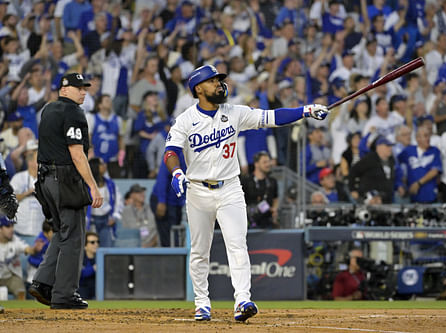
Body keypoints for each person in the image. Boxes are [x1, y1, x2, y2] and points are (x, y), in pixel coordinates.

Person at [163, 65, 328, 322]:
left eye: (220, 80)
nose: (219, 84)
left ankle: (242, 300)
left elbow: (273, 117)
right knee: (199, 251)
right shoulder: (185, 120)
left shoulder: (235, 112)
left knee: (237, 244)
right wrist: (176, 173)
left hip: (230, 187)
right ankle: (201, 302)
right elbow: (171, 152)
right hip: (198, 190)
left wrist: (305, 110)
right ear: (198, 88)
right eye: (213, 81)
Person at [28, 73, 103, 310]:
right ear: (64, 89)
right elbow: (76, 153)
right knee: (73, 237)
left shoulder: (48, 109)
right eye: (78, 87)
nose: (83, 92)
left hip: (45, 179)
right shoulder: (73, 112)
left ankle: (43, 283)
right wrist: (92, 185)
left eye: (85, 88)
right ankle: (64, 295)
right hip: (64, 180)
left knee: (61, 233)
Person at [0, 216, 41, 300]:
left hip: (12, 277)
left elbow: (27, 249)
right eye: (8, 226)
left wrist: (34, 249)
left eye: (12, 226)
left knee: (21, 292)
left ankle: (20, 312)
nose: (11, 229)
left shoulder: (15, 240)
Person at [397, 126, 442, 203]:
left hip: (430, 195)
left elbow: (435, 171)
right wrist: (401, 182)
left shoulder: (434, 150)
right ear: (417, 138)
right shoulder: (408, 151)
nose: (428, 138)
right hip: (413, 195)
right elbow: (396, 165)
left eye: (428, 135)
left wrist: (418, 184)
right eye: (425, 136)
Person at [88, 157, 122, 248]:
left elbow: (119, 203)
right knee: (91, 248)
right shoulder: (86, 185)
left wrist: (114, 217)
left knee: (107, 249)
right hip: (91, 221)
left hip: (106, 221)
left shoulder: (110, 184)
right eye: (102, 164)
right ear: (95, 167)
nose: (105, 165)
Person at [240, 151, 279, 229]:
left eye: (269, 161)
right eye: (264, 162)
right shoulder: (246, 181)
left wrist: (274, 209)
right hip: (249, 223)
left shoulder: (272, 181)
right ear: (256, 164)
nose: (268, 164)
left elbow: (275, 198)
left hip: (268, 223)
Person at [26, 220, 53, 285]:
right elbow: (35, 249)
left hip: (43, 269)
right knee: (32, 284)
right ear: (48, 232)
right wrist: (35, 249)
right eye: (53, 232)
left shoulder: (48, 238)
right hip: (34, 267)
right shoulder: (41, 241)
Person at [78, 232, 99, 300]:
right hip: (82, 293)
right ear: (85, 246)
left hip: (97, 292)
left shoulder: (100, 258)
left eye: (97, 242)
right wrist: (94, 268)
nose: (96, 244)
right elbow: (80, 274)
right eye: (92, 242)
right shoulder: (79, 258)